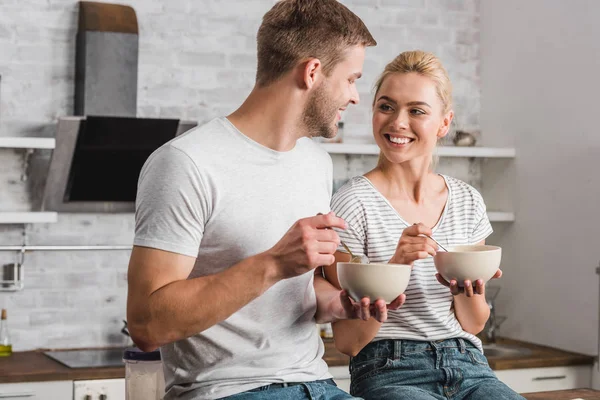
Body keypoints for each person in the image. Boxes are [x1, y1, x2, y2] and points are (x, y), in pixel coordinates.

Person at [126, 1, 405, 399]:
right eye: (350, 79)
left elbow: (299, 294)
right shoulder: (186, 163)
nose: (356, 97)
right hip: (228, 390)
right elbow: (145, 325)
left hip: (318, 383)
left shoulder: (315, 162)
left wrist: (340, 304)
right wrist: (273, 263)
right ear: (312, 72)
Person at [324, 50, 525, 400]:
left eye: (416, 110)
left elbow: (474, 324)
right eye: (386, 106)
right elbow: (348, 341)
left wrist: (465, 288)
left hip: (469, 364)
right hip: (389, 369)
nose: (397, 122)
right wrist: (397, 266)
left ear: (444, 123)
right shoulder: (352, 203)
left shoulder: (467, 200)